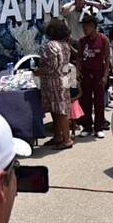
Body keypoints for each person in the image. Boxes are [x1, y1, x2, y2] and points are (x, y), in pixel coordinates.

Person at [36, 19, 74, 150]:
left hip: (53, 82)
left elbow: (51, 67)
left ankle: (66, 139)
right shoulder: (65, 45)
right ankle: (59, 137)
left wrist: (37, 71)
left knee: (59, 111)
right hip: (64, 80)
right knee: (59, 110)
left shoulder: (50, 46)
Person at [76, 13, 111, 138]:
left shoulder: (103, 39)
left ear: (93, 26)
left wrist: (105, 75)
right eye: (83, 27)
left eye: (87, 27)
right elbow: (79, 57)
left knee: (99, 101)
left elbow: (107, 59)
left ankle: (99, 127)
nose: (84, 30)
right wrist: (78, 71)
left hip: (98, 74)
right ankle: (87, 126)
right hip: (85, 74)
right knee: (85, 101)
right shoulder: (82, 41)